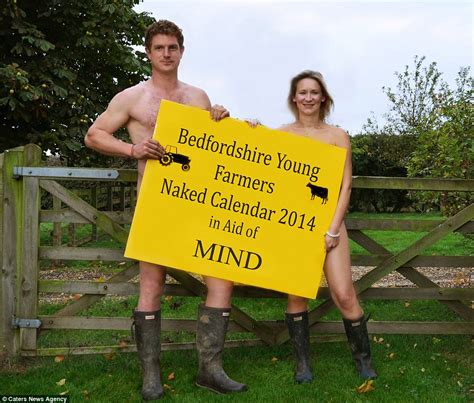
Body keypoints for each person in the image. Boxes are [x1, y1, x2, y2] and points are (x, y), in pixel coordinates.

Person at [85, 20, 246, 400]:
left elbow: (217, 148)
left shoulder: (197, 97)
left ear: (182, 51)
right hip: (155, 205)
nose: (166, 54)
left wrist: (223, 119)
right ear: (148, 52)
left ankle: (210, 370)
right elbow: (94, 135)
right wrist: (132, 150)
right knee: (151, 287)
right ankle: (151, 376)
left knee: (221, 281)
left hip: (199, 205)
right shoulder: (132, 98)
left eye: (172, 47)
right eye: (159, 48)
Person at [277, 70, 377, 383]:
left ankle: (363, 360)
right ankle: (302, 364)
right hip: (294, 226)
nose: (308, 98)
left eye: (314, 93)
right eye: (302, 92)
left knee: (345, 294)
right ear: (294, 98)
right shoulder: (281, 134)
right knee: (296, 295)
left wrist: (333, 229)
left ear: (323, 98)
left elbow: (345, 186)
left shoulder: (337, 136)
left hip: (330, 225)